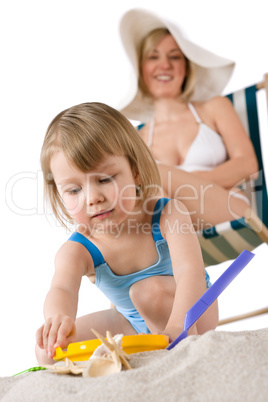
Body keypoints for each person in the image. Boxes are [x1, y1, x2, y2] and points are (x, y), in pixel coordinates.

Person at [35, 102, 218, 365]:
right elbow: (62, 288)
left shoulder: (167, 214)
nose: (93, 198)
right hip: (133, 323)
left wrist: (180, 325)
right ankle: (152, 348)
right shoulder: (77, 250)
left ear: (135, 171)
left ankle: (176, 349)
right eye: (74, 190)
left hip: (193, 313)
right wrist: (58, 318)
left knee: (147, 292)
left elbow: (191, 273)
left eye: (105, 179)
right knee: (48, 351)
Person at [118, 9, 258, 231]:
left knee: (155, 175)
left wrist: (191, 181)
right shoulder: (139, 138)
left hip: (228, 210)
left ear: (186, 66)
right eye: (153, 57)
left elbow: (247, 164)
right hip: (174, 228)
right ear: (141, 70)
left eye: (174, 56)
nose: (165, 65)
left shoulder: (215, 107)